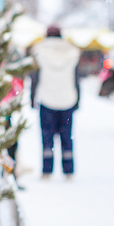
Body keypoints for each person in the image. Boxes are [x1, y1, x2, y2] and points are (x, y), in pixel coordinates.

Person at [30, 25, 82, 180]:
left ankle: (47, 170)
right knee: (67, 136)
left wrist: (32, 97)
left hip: (46, 99)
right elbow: (76, 78)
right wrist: (78, 98)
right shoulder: (72, 52)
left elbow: (35, 77)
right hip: (67, 99)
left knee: (47, 137)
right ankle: (68, 170)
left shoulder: (39, 51)